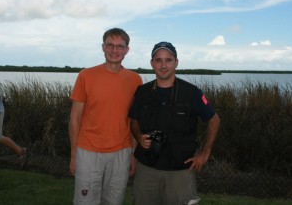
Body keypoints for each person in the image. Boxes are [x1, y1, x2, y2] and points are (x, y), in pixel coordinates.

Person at [129, 41, 220, 205]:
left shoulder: (191, 93)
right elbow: (133, 119)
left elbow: (214, 120)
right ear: (152, 63)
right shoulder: (142, 92)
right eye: (158, 60)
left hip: (180, 171)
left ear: (176, 62)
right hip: (147, 169)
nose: (163, 65)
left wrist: (204, 154)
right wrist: (138, 136)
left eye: (168, 60)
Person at [69, 28, 143, 205]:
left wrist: (133, 153)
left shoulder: (135, 80)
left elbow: (135, 121)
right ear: (103, 47)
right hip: (88, 152)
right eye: (110, 45)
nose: (114, 50)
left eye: (120, 46)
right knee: (85, 202)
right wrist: (74, 154)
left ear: (127, 50)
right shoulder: (86, 75)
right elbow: (75, 118)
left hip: (121, 153)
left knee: (114, 201)